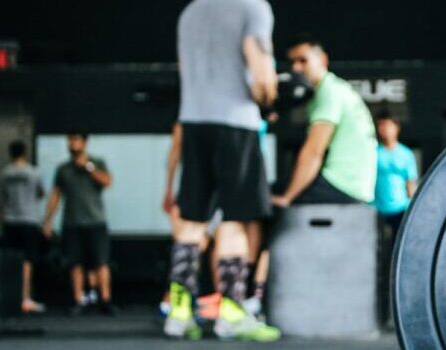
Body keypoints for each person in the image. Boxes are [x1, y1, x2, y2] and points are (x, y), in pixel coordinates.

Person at [166, 0, 280, 341]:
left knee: (191, 222)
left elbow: (185, 69)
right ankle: (230, 315)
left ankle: (179, 314)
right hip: (235, 123)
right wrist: (269, 99)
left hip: (194, 120)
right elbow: (260, 70)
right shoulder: (253, 7)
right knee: (234, 220)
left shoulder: (189, 12)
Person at [271, 35, 377, 207]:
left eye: (303, 60)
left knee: (260, 199)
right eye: (292, 62)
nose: (296, 68)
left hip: (342, 186)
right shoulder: (337, 88)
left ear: (322, 59)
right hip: (358, 187)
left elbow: (314, 152)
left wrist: (287, 198)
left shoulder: (328, 92)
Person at [42, 132, 117, 316]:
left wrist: (89, 167)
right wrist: (48, 220)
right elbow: (55, 195)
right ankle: (79, 300)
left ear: (84, 142)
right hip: (72, 222)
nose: (72, 143)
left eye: (76, 139)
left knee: (101, 262)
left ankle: (105, 300)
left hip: (95, 221)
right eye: (69, 140)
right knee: (75, 263)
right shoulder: (63, 169)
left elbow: (108, 182)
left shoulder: (96, 163)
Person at [0, 140, 47, 313]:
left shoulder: (4, 173)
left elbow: (3, 195)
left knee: (11, 260)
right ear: (25, 153)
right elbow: (40, 193)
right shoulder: (32, 172)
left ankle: (11, 298)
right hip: (28, 220)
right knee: (27, 261)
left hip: (10, 221)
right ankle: (24, 299)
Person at [373, 112, 418, 233]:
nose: (384, 129)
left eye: (387, 125)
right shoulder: (372, 152)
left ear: (396, 127)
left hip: (401, 210)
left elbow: (411, 184)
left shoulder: (406, 154)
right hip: (377, 210)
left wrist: (414, 210)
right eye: (380, 125)